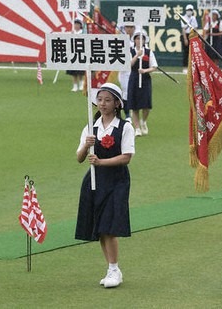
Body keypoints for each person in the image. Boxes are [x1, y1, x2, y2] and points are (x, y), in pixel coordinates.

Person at [75, 82, 134, 290]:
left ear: (117, 103)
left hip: (117, 180)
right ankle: (111, 268)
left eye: (108, 100)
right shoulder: (91, 127)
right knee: (100, 227)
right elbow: (79, 158)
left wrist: (102, 162)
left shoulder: (125, 127)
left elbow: (126, 157)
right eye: (100, 100)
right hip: (94, 181)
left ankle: (114, 268)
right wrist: (86, 145)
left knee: (110, 225)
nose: (103, 104)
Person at [127, 30, 156, 136]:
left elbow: (154, 66)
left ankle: (143, 121)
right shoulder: (130, 51)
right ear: (134, 40)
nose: (140, 41)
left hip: (145, 79)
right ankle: (137, 128)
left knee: (146, 104)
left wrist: (145, 71)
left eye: (142, 39)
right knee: (134, 105)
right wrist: (136, 56)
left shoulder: (148, 52)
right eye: (138, 38)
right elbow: (128, 64)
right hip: (134, 78)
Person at [66, 18, 86, 92]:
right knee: (73, 72)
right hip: (72, 53)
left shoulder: (82, 33)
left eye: (77, 24)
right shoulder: (72, 32)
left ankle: (81, 84)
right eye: (75, 24)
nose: (76, 26)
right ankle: (75, 85)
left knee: (80, 71)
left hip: (80, 52)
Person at [180, 4, 198, 73]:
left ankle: (192, 67)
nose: (189, 11)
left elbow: (195, 28)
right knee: (185, 52)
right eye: (188, 10)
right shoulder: (183, 17)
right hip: (186, 35)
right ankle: (185, 67)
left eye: (190, 10)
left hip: (192, 35)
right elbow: (183, 29)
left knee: (193, 52)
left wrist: (195, 37)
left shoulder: (193, 18)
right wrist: (185, 39)